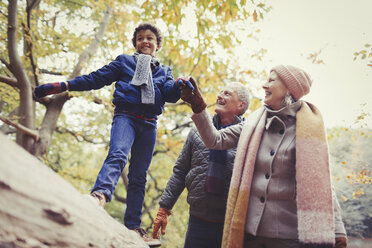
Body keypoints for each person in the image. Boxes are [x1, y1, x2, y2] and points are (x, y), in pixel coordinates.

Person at [33, 23, 193, 247]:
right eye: (140, 38)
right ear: (135, 44)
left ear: (157, 46)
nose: (145, 41)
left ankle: (134, 227)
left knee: (139, 176)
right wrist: (64, 85)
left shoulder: (164, 71)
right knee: (118, 154)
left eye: (150, 38)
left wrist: (179, 85)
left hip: (149, 124)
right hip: (125, 116)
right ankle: (99, 196)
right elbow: (95, 79)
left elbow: (169, 94)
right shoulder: (124, 62)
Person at [180, 66, 347, 248]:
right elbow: (215, 140)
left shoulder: (308, 130)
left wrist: (337, 229)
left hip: (288, 237)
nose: (264, 85)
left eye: (271, 80)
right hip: (250, 234)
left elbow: (321, 182)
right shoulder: (253, 123)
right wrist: (198, 106)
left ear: (289, 88)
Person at [152, 82, 250, 247]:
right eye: (220, 92)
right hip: (197, 221)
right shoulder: (196, 131)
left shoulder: (249, 136)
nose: (220, 96)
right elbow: (180, 172)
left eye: (227, 93)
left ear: (241, 105)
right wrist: (164, 208)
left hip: (231, 224)